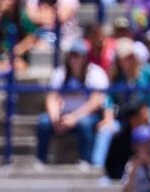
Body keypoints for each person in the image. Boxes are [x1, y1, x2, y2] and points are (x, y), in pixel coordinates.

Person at [36, 39, 109, 167]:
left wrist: (74, 117)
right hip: (63, 115)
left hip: (86, 115)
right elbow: (52, 97)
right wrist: (55, 118)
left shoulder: (96, 73)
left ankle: (85, 160)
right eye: (71, 55)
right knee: (44, 121)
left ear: (85, 57)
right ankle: (41, 160)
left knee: (84, 123)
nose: (73, 59)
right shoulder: (60, 73)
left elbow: (96, 102)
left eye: (77, 56)